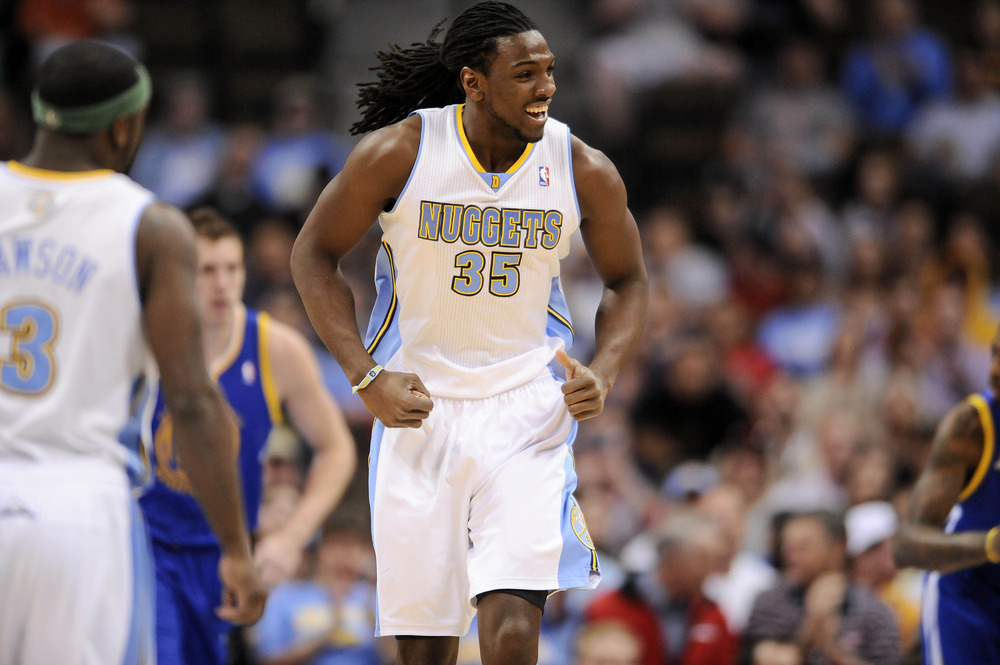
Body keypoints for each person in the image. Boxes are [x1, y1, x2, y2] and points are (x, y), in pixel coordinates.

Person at [290, 3, 649, 665]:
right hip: (418, 409)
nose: (545, 87)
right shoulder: (402, 151)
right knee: (426, 650)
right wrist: (365, 374)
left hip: (525, 411)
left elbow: (629, 280)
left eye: (549, 71)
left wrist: (609, 366)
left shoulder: (580, 166)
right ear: (474, 82)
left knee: (512, 634)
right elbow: (311, 254)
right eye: (524, 74)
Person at [0, 41, 266, 664]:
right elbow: (194, 403)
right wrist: (233, 546)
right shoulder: (149, 224)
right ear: (124, 125)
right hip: (78, 504)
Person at [140, 207, 357, 665]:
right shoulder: (144, 339)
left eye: (233, 269)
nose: (222, 284)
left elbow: (336, 450)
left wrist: (292, 536)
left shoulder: (276, 348)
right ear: (180, 274)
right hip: (146, 540)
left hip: (227, 549)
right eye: (207, 271)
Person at [894, 322, 1000, 664]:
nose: (994, 371)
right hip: (968, 599)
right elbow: (907, 543)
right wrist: (990, 544)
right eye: (994, 354)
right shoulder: (971, 426)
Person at [743, 511, 900, 665]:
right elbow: (761, 657)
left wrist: (831, 649)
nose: (792, 556)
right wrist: (812, 624)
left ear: (837, 549)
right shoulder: (770, 604)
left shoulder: (875, 612)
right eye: (788, 547)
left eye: (803, 547)